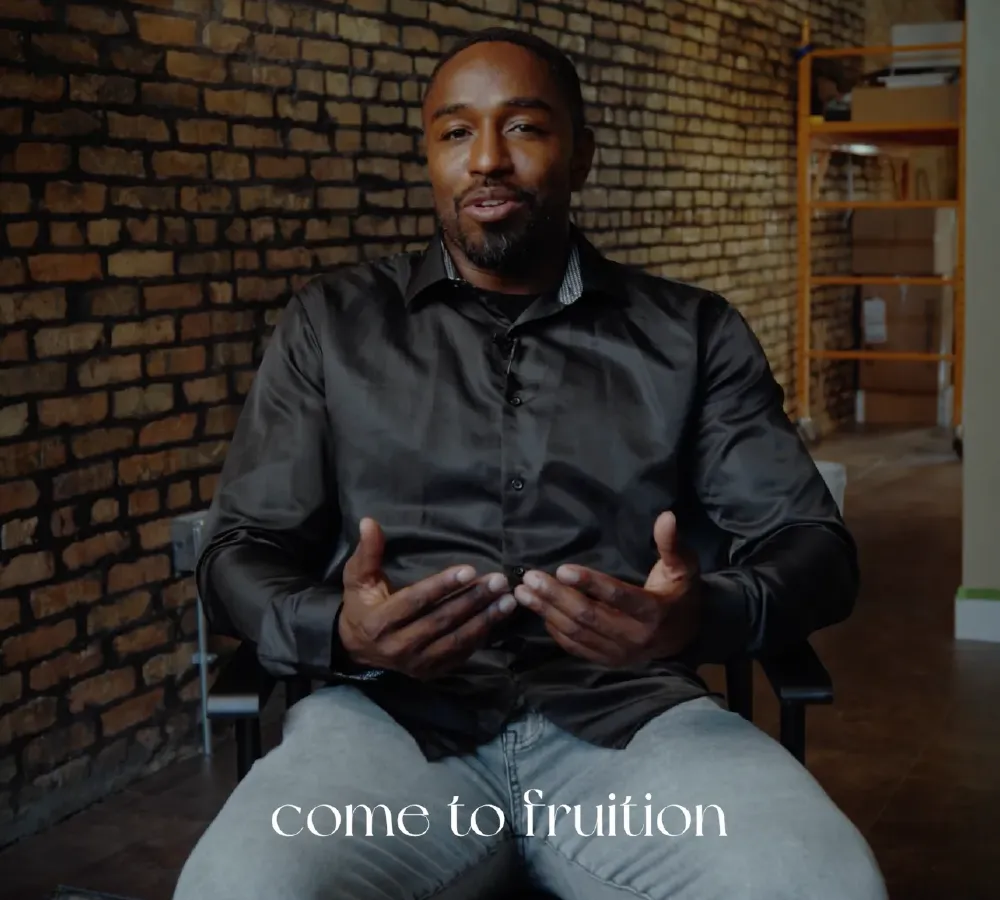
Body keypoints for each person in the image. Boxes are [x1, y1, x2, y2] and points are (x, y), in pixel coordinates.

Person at [173, 27, 886, 900]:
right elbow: (236, 552)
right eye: (455, 132)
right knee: (240, 887)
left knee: (823, 881)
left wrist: (697, 619)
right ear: (429, 156)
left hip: (630, 729)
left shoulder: (692, 335)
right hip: (387, 729)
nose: (487, 161)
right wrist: (338, 629)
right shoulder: (331, 326)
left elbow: (815, 548)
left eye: (523, 128)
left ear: (580, 154)